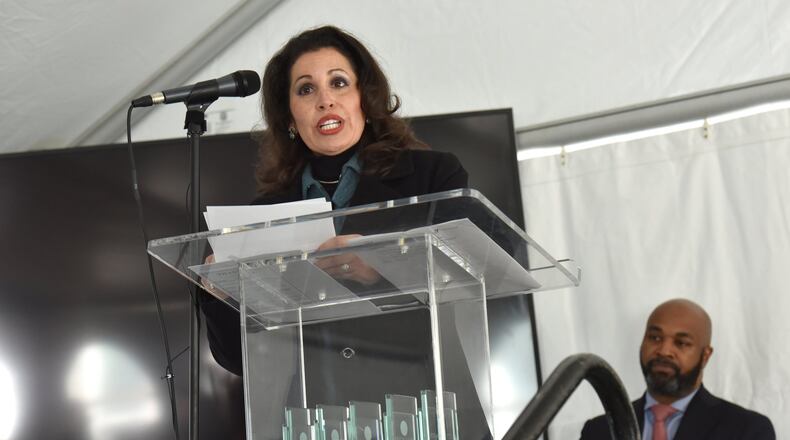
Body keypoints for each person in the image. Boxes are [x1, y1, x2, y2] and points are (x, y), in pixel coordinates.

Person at [198, 25, 482, 437]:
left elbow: (484, 263)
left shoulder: (433, 176)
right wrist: (222, 295)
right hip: (314, 421)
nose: (325, 99)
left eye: (339, 82)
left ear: (364, 98)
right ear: (289, 115)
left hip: (425, 411)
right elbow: (239, 359)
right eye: (306, 89)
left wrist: (378, 264)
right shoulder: (260, 218)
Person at [580, 298, 775, 440]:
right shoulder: (599, 431)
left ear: (705, 355)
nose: (664, 351)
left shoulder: (747, 430)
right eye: (655, 338)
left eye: (681, 343)